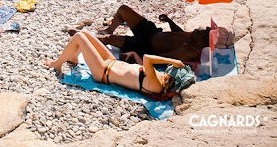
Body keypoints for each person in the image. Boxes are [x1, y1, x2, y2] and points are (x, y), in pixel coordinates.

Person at [45, 31, 192, 99]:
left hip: (103, 72)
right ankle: (73, 57)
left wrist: (173, 61)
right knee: (85, 33)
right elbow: (143, 67)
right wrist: (134, 54)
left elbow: (147, 59)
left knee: (79, 37)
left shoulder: (157, 86)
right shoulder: (158, 77)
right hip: (111, 62)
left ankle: (57, 64)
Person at [94, 5, 229, 62]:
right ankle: (109, 28)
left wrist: (136, 57)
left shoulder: (189, 51)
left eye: (203, 31)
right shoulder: (194, 37)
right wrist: (170, 21)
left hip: (144, 46)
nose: (200, 29)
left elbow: (160, 58)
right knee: (124, 10)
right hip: (152, 32)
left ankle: (86, 38)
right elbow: (179, 34)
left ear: (202, 41)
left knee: (108, 39)